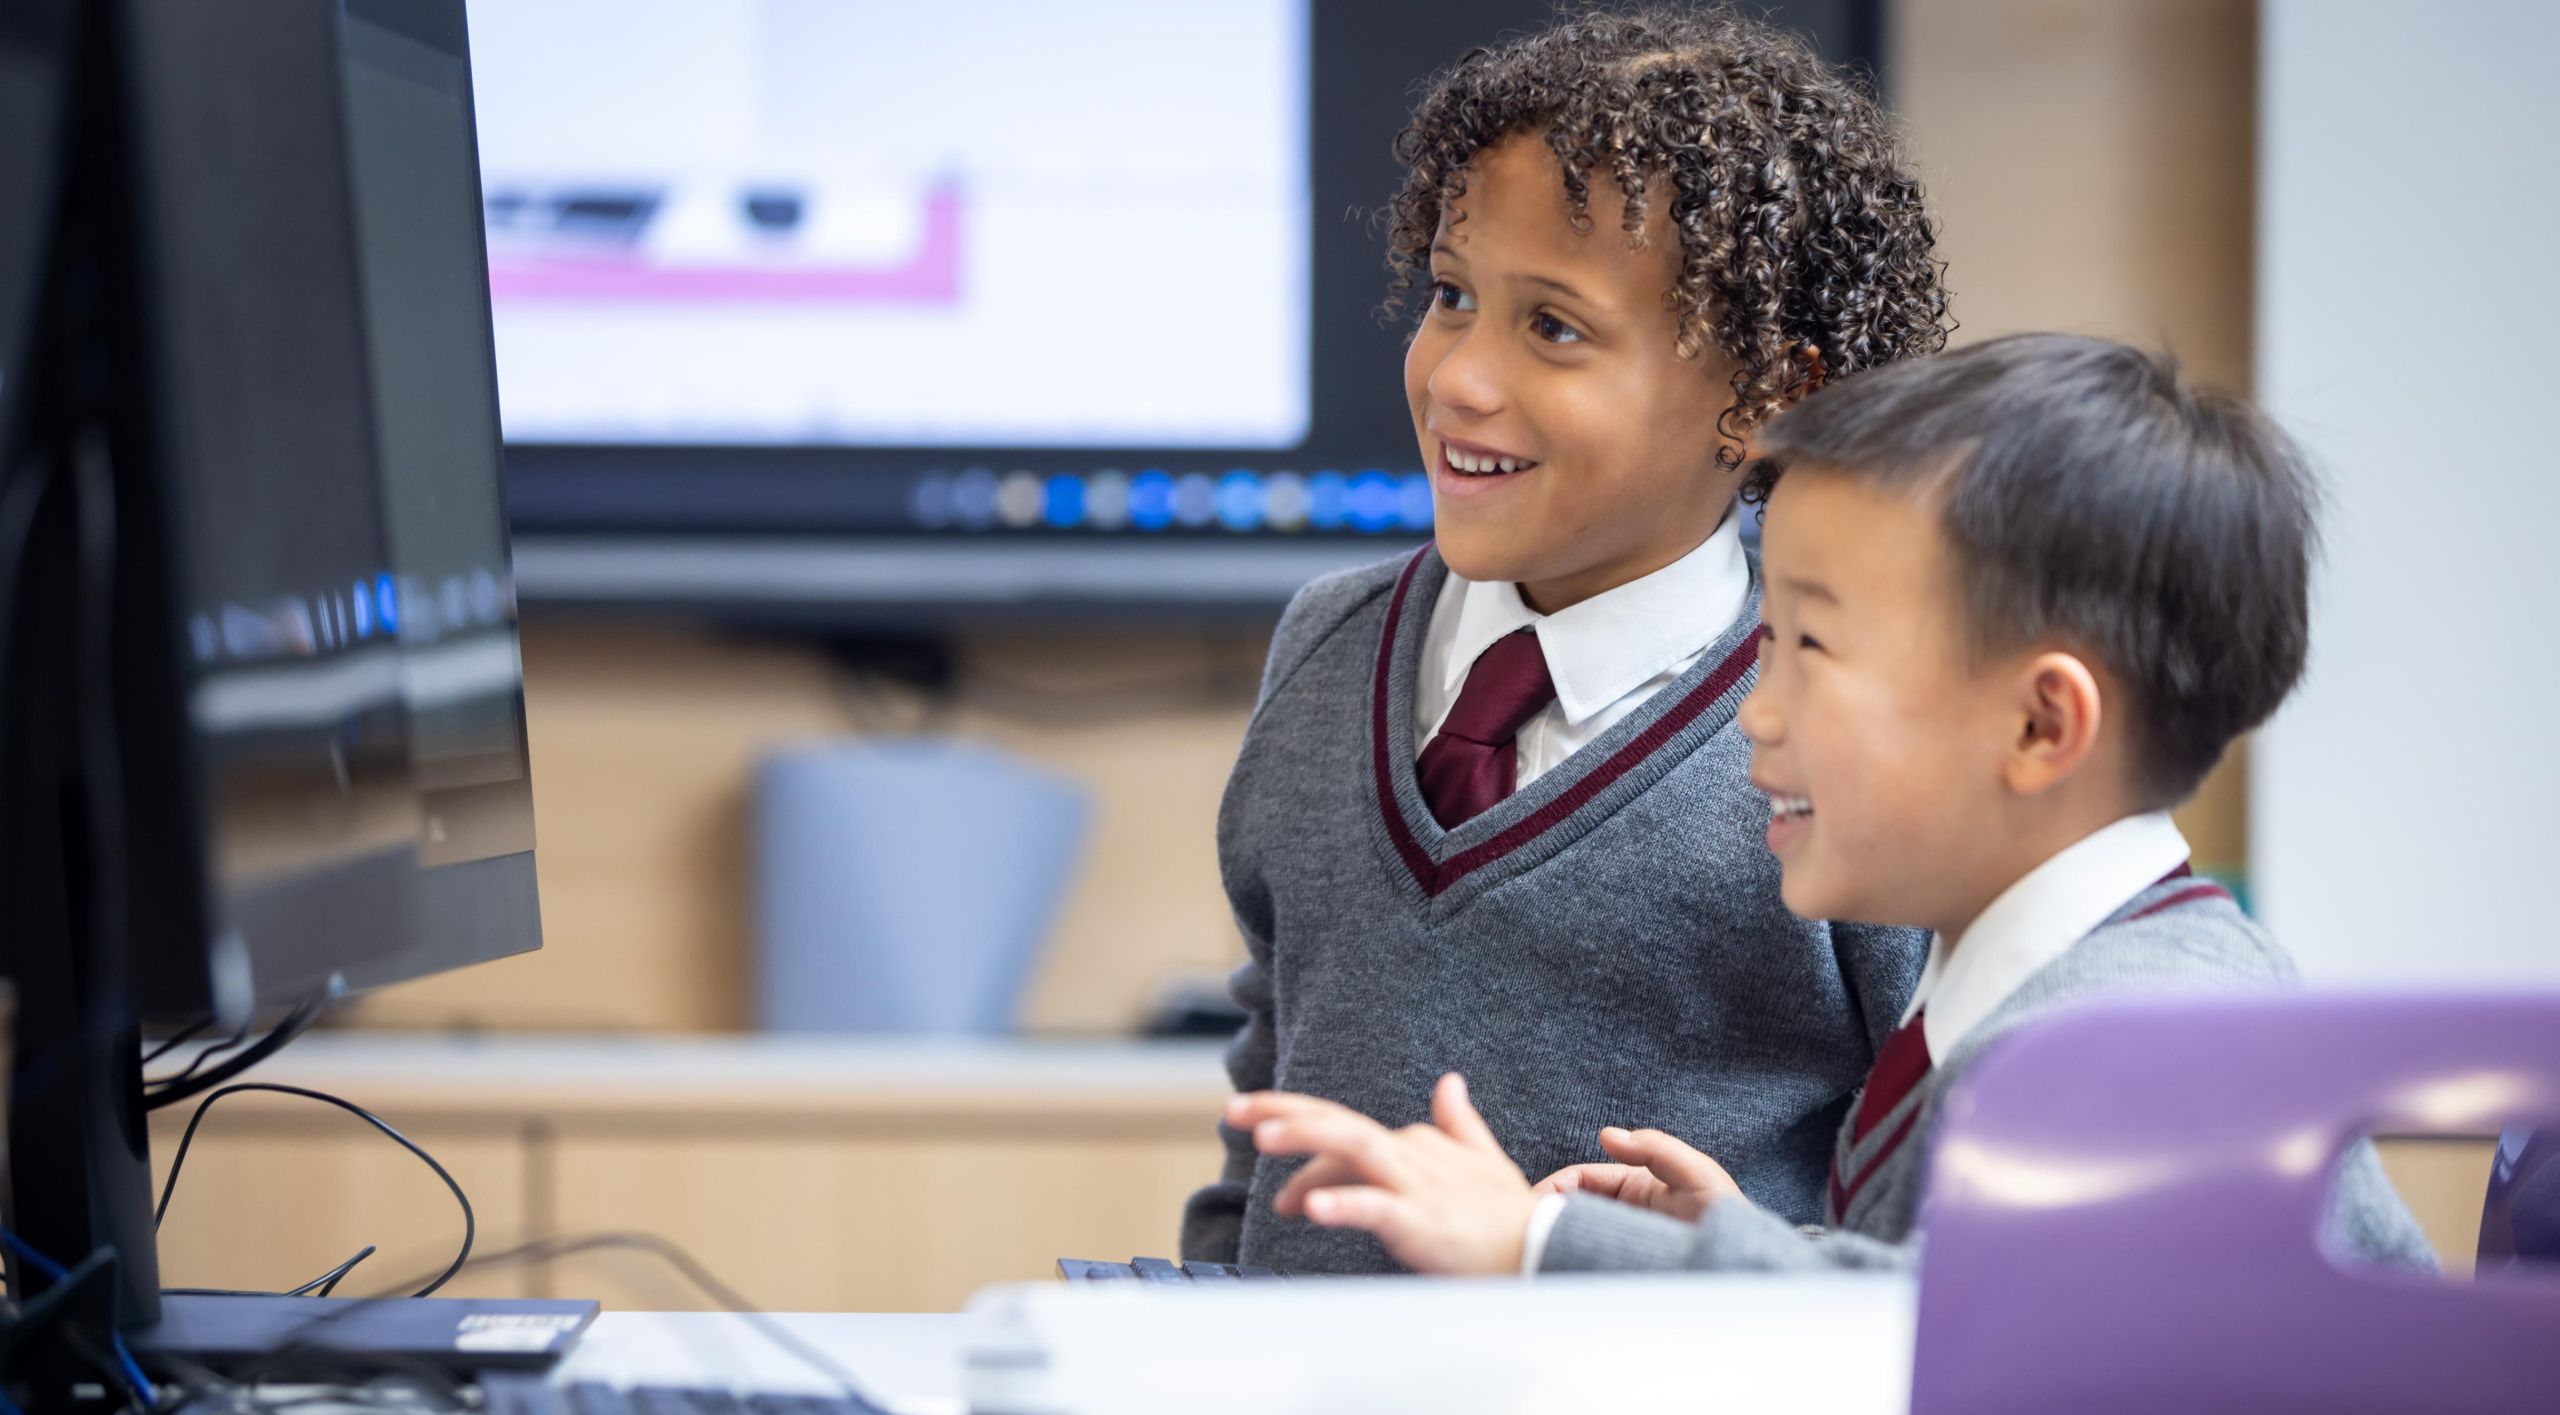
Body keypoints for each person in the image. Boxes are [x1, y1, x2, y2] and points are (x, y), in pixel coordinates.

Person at [1231, 333, 2438, 1275]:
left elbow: (1940, 1336)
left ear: (2039, 725)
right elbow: (1978, 1295)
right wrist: (1752, 1244)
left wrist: (1544, 1247)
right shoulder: (2026, 993)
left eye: (1810, 645)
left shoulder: (2140, 1040)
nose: (1755, 710)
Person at [1182, 4, 1951, 1273]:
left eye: (1553, 327)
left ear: (1767, 393)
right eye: (1450, 295)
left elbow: (1927, 1237)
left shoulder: (1852, 723)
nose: (1458, 379)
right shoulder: (1328, 639)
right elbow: (1276, 1067)